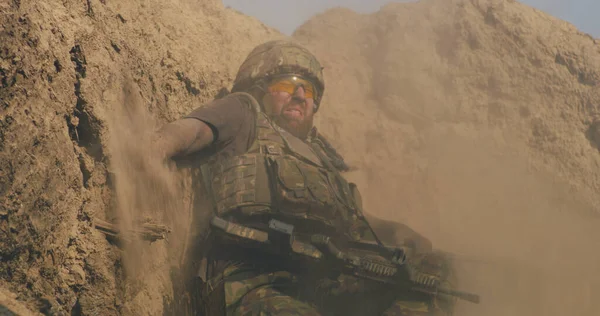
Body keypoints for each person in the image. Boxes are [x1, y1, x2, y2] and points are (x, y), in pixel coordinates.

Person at [151, 40, 456, 316]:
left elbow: (356, 220)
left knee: (433, 274)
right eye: (288, 84)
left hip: (324, 283)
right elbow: (191, 132)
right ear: (259, 88)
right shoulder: (244, 113)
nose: (299, 95)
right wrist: (152, 151)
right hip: (251, 282)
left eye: (308, 90)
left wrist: (398, 233)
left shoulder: (323, 157)